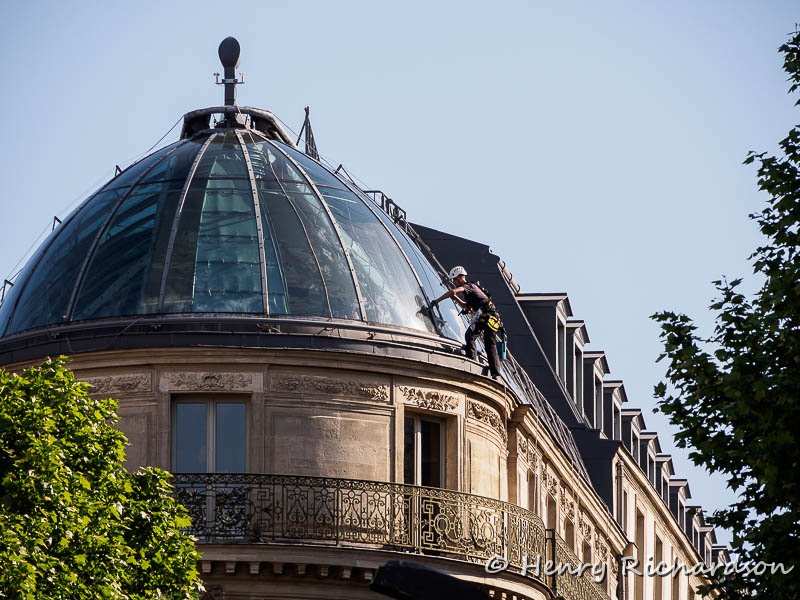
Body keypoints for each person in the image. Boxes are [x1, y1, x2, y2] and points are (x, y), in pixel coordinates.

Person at [430, 266, 503, 379]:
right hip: (491, 317)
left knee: (470, 336)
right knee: (489, 343)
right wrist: (455, 298)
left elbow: (453, 291)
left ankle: (472, 362)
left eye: (454, 280)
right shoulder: (471, 291)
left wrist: (437, 300)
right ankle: (495, 371)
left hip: (485, 315)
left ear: (460, 277)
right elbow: (466, 307)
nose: (454, 283)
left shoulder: (469, 286)